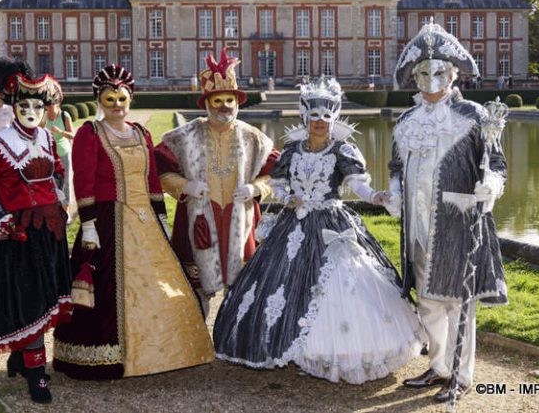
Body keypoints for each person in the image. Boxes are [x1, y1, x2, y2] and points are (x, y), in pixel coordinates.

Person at [213, 77, 424, 384]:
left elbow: (357, 185)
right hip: (293, 224)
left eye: (326, 117)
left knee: (345, 281)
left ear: (333, 118)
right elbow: (278, 185)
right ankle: (294, 346)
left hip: (331, 222)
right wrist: (289, 198)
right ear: (305, 117)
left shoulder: (342, 150)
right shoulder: (291, 151)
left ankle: (337, 349)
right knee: (278, 285)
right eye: (314, 117)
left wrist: (376, 196)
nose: (320, 122)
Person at [53, 64, 214, 380]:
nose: (116, 106)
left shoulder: (141, 133)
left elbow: (153, 180)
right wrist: (87, 223)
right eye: (110, 99)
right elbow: (83, 179)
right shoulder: (90, 133)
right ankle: (105, 357)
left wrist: (163, 221)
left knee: (164, 282)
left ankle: (167, 353)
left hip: (146, 220)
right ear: (100, 100)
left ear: (131, 100)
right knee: (107, 289)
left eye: (122, 99)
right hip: (106, 219)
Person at [387, 22, 508, 402]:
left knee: (458, 301)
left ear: (453, 73)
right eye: (422, 72)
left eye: (439, 70)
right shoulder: (405, 122)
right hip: (417, 227)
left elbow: (497, 164)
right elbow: (394, 167)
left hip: (457, 222)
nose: (430, 79)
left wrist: (491, 186)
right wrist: (392, 193)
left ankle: (461, 373)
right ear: (413, 76)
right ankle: (439, 366)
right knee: (427, 299)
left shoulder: (474, 117)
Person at [0, 58, 72, 403]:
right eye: (23, 105)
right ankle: (37, 376)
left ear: (45, 109)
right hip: (19, 235)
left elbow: (55, 172)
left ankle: (20, 358)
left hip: (49, 230)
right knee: (30, 303)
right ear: (13, 107)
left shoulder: (46, 137)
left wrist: (59, 199)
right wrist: (1, 222)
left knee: (46, 299)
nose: (30, 111)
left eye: (36, 105)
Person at [154, 48, 279, 314]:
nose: (224, 106)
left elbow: (277, 174)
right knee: (197, 290)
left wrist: (256, 188)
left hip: (242, 219)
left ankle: (237, 342)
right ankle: (198, 342)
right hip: (197, 219)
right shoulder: (184, 136)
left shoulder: (255, 138)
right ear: (207, 103)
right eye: (217, 100)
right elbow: (161, 171)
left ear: (237, 102)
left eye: (229, 100)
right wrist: (185, 186)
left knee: (244, 290)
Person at [43, 87, 75, 217]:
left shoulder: (64, 115)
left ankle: (66, 212)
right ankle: (54, 211)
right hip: (48, 155)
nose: (49, 107)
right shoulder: (43, 117)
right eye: (47, 105)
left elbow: (73, 135)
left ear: (58, 103)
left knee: (66, 182)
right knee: (50, 182)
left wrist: (60, 132)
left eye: (52, 104)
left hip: (63, 153)